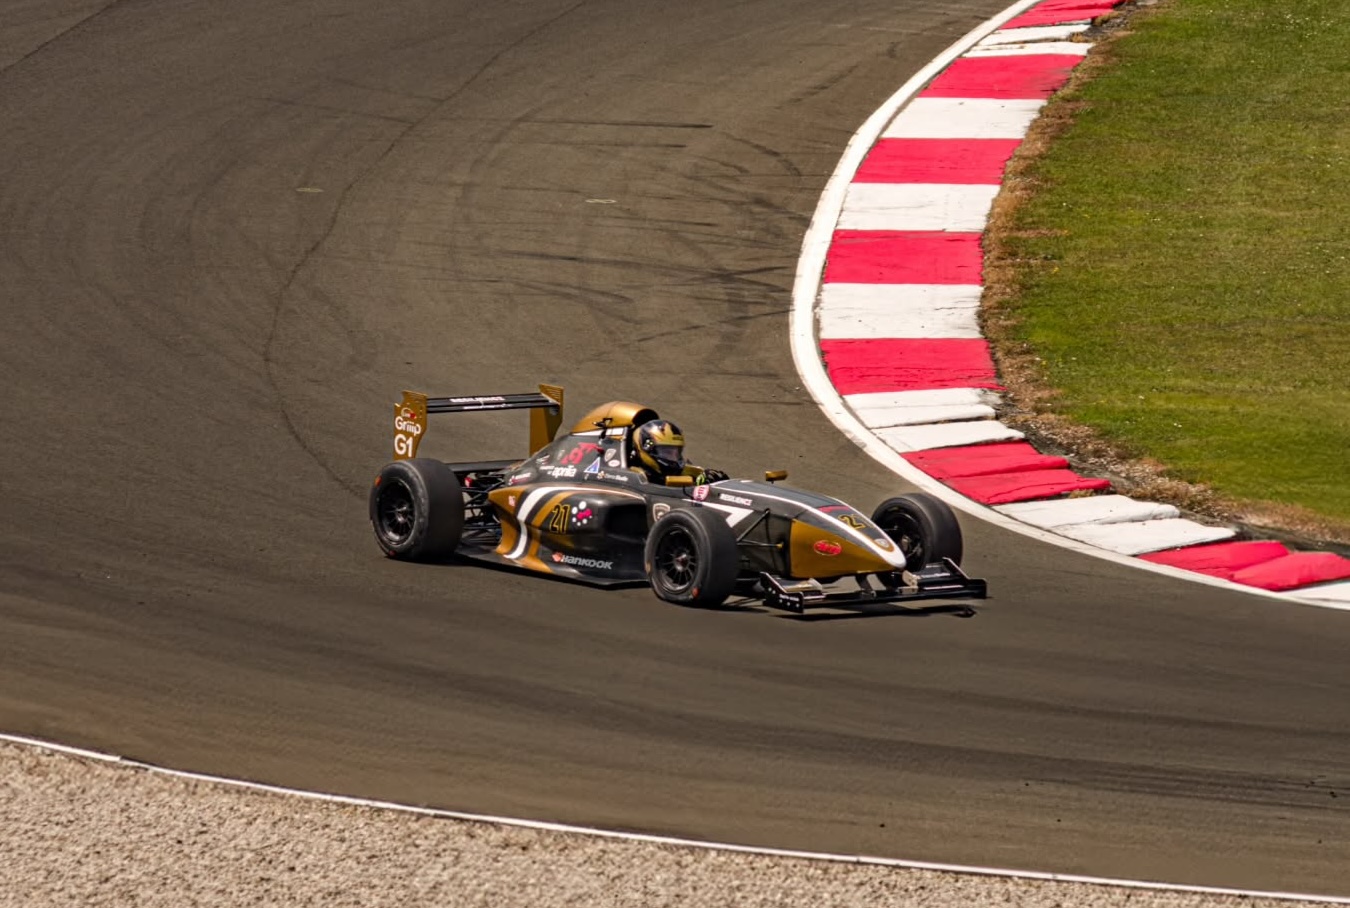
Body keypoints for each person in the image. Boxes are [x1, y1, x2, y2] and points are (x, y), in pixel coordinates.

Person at [632, 419, 728, 485]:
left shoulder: (688, 472)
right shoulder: (634, 475)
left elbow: (697, 473)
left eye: (676, 453)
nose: (673, 458)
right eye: (667, 452)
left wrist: (712, 479)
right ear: (647, 448)